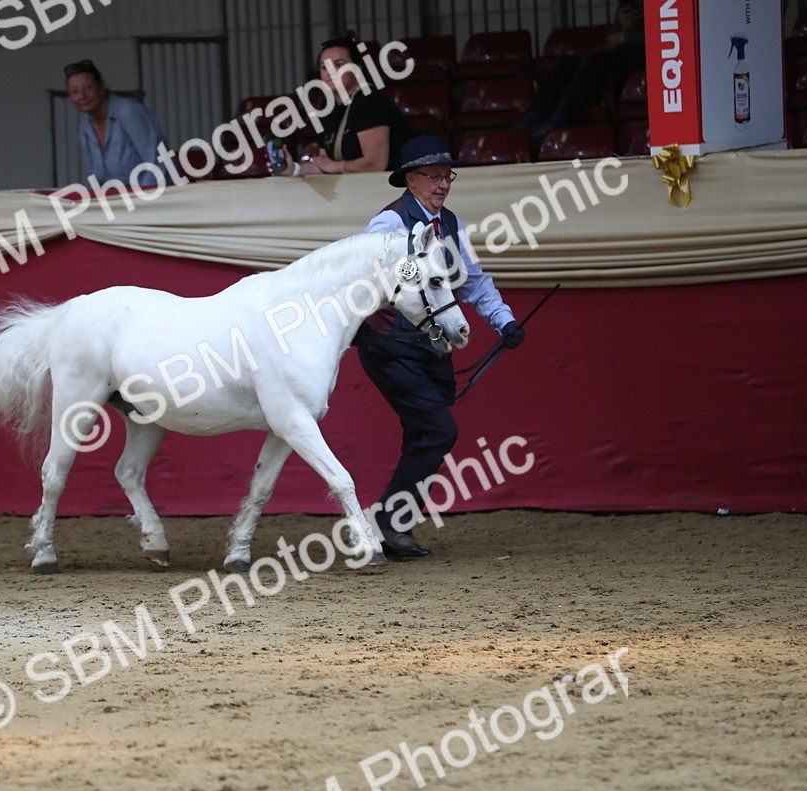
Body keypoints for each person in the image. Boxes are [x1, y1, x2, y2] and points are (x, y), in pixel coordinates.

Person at [354, 135, 525, 559]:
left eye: (447, 176)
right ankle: (388, 524)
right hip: (390, 344)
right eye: (433, 176)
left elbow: (473, 282)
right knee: (439, 430)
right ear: (410, 180)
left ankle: (393, 527)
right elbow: (366, 279)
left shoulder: (450, 224)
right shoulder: (388, 224)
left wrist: (504, 320)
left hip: (431, 346)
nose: (443, 184)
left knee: (425, 433)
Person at [272, 33, 415, 177]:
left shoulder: (369, 100)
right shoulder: (326, 105)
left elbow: (375, 164)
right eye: (324, 67)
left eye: (339, 64)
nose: (330, 72)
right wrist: (294, 169)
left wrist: (336, 166)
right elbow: (325, 164)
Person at [515, 1, 645, 140]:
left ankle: (560, 117)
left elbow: (659, 34)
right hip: (619, 52)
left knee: (594, 62)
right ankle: (534, 115)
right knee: (565, 62)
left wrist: (625, 37)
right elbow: (611, 41)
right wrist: (622, 29)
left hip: (644, 55)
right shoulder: (628, 4)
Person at [64, 59, 168, 187]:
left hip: (156, 194)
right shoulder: (84, 129)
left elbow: (158, 161)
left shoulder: (128, 112)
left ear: (102, 86)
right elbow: (94, 179)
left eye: (88, 88)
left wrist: (142, 196)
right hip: (118, 197)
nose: (82, 96)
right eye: (74, 92)